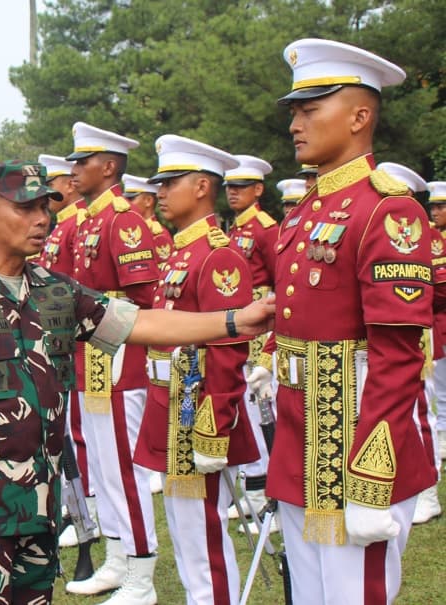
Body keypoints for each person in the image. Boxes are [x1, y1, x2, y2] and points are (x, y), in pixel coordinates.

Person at [0, 160, 274, 605]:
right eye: (26, 207)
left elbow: (141, 324)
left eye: (45, 207)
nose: (41, 219)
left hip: (39, 511)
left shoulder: (56, 291)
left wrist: (234, 320)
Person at [269, 38, 437, 604]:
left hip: (356, 437)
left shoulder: (387, 210)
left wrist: (371, 478)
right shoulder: (308, 209)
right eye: (295, 110)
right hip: (301, 432)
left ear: (360, 116)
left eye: (311, 109)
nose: (296, 122)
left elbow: (399, 356)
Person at [133, 135, 259, 605]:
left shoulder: (218, 254)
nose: (160, 192)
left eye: (171, 182)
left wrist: (214, 427)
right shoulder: (181, 252)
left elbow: (228, 348)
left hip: (195, 414)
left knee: (202, 538)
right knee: (185, 534)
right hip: (171, 407)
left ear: (203, 185)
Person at [66, 122, 161, 602]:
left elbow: (146, 299)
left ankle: (142, 575)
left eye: (83, 161)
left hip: (118, 361)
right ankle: (118, 557)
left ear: (108, 166)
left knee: (124, 469)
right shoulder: (87, 220)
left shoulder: (123, 221)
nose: (74, 169)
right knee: (102, 469)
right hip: (90, 360)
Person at [375, 162, 443, 526]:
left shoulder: (425, 235)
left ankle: (428, 490)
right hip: (379, 336)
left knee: (419, 410)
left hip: (413, 333)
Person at [36, 152, 97, 548]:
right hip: (58, 335)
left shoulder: (79, 224)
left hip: (80, 334)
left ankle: (84, 504)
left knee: (83, 436)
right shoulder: (65, 226)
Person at [223, 155, 278, 533]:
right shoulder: (236, 229)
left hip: (260, 326)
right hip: (241, 320)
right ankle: (252, 487)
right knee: (245, 404)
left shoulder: (265, 228)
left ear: (258, 190)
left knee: (262, 408)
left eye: (240, 187)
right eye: (228, 187)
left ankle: (264, 494)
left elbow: (280, 287)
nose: (232, 193)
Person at [122, 174, 172, 273]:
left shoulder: (158, 235)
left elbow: (162, 277)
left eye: (131, 199)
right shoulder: (129, 231)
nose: (126, 204)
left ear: (148, 201)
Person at [429, 180, 446, 464]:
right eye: (432, 206)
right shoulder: (428, 236)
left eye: (441, 206)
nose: (435, 212)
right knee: (441, 385)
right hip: (437, 319)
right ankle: (442, 434)